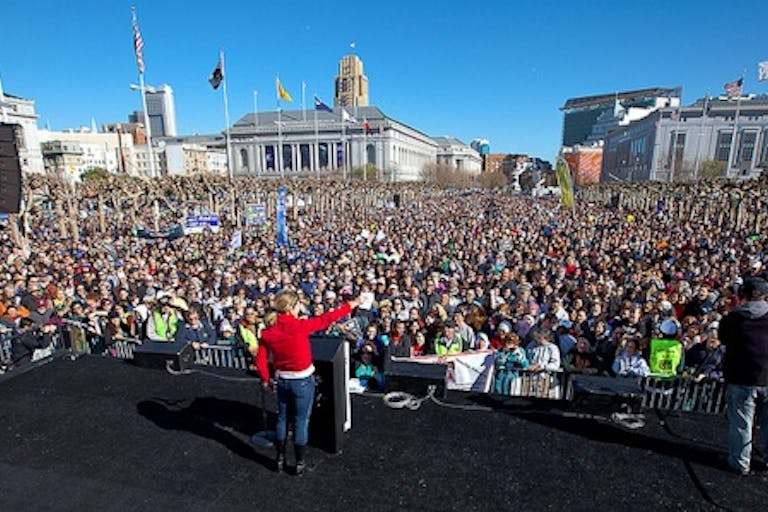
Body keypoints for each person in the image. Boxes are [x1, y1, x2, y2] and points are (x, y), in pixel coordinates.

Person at [257, 289, 362, 475]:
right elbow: (327, 319)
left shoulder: (268, 332)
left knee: (282, 418)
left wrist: (265, 380)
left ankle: (279, 459)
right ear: (292, 307)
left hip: (282, 381)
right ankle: (299, 463)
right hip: (302, 381)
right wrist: (350, 305)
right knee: (300, 421)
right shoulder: (300, 326)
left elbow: (261, 359)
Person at [718, 277, 768, 475]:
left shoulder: (733, 319)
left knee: (742, 423)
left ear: (743, 295)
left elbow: (723, 338)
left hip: (741, 378)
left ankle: (740, 462)